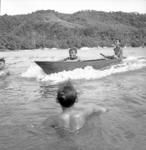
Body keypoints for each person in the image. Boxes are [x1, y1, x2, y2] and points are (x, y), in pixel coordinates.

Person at [43, 80, 108, 133]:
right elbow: (104, 110)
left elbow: (42, 130)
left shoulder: (52, 119)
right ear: (76, 99)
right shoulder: (83, 113)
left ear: (57, 100)